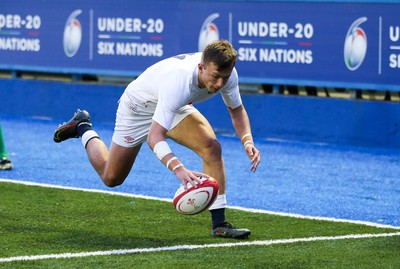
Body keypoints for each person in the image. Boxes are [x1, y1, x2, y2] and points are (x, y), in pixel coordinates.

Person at [54, 40, 261, 239]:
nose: (219, 84)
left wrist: (247, 140)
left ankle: (219, 225)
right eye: (215, 77)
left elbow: (236, 110)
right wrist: (178, 168)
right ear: (201, 67)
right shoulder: (178, 81)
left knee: (212, 147)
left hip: (175, 106)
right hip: (138, 108)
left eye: (224, 78)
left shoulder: (227, 74)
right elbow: (155, 136)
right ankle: (82, 127)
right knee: (111, 177)